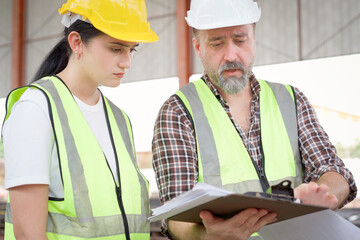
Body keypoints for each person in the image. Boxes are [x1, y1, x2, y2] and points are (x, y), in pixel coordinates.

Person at [152, 0, 357, 239]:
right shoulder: (178, 112)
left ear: (254, 38)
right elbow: (175, 214)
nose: (231, 55)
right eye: (217, 43)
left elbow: (336, 171)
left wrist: (322, 194)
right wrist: (205, 236)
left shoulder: (291, 100)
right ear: (198, 47)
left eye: (240, 40)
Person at [2, 0, 158, 239]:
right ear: (76, 43)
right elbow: (27, 233)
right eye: (116, 49)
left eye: (132, 49)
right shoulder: (36, 108)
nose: (127, 62)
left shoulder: (120, 120)